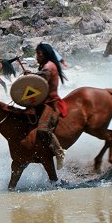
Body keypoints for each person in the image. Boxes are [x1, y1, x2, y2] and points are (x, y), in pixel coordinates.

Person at [33, 42, 68, 170]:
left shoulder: (48, 67)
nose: (36, 57)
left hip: (51, 103)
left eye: (39, 54)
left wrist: (30, 76)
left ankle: (59, 152)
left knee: (43, 128)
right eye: (36, 54)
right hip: (42, 101)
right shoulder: (44, 66)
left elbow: (40, 81)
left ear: (46, 54)